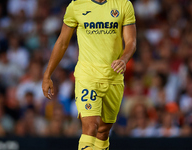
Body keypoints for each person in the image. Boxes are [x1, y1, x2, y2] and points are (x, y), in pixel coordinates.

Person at [42, 0, 136, 149]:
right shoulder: (76, 6)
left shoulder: (123, 4)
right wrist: (47, 74)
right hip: (87, 76)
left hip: (113, 77)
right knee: (91, 126)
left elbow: (131, 41)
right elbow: (62, 42)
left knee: (103, 132)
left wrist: (124, 59)